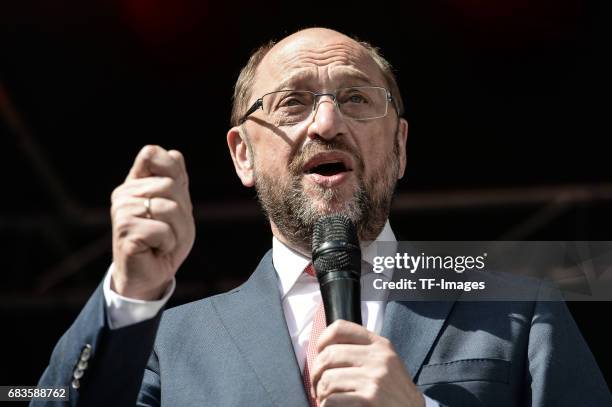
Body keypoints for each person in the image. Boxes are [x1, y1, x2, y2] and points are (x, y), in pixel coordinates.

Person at [33, 27, 610, 407]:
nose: (327, 124)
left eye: (358, 98)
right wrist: (132, 294)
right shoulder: (170, 342)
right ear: (242, 154)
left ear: (401, 147)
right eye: (292, 102)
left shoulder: (520, 307)